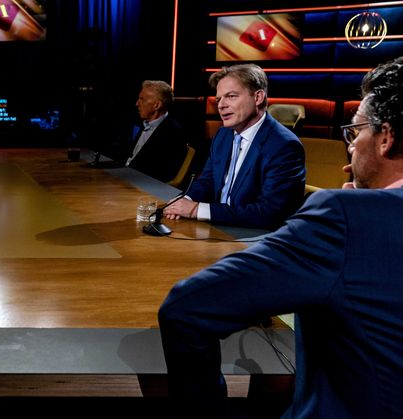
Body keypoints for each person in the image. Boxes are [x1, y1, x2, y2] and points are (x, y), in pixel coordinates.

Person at [159, 56, 403, 418]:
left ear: (386, 137)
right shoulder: (224, 138)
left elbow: (184, 308)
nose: (350, 149)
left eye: (355, 132)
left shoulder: (342, 215)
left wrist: (358, 209)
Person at [164, 64, 305, 230]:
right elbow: (208, 180)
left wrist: (196, 210)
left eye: (231, 96)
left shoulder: (284, 146)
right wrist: (185, 201)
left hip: (256, 235)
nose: (221, 105)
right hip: (218, 227)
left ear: (258, 97)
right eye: (218, 99)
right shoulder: (223, 134)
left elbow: (270, 213)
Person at [124, 80, 189, 183]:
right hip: (126, 177)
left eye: (142, 99)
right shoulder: (142, 125)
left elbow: (160, 172)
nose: (137, 103)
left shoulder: (173, 132)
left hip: (142, 185)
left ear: (157, 105)